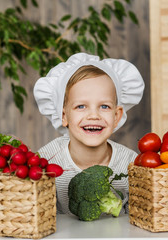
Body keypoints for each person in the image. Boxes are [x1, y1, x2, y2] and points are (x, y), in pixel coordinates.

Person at [33, 52, 144, 214]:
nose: (94, 115)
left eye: (104, 106)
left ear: (116, 116)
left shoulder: (131, 164)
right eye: (81, 106)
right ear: (63, 115)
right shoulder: (46, 159)